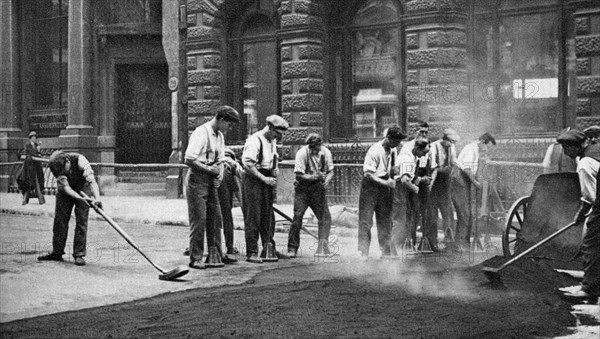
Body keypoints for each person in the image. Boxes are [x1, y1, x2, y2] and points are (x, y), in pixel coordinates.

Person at [185, 105, 240, 269]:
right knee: (199, 219)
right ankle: (195, 257)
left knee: (215, 218)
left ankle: (215, 254)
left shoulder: (220, 136)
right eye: (229, 125)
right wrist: (209, 170)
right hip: (197, 179)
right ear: (222, 119)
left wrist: (220, 175)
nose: (229, 129)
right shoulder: (201, 133)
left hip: (212, 179)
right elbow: (189, 159)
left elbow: (221, 160)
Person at [556, 129, 600, 303]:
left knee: (591, 244)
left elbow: (590, 198)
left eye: (567, 149)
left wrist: (580, 215)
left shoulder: (585, 164)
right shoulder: (596, 149)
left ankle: (589, 290)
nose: (565, 153)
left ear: (576, 146)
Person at [37, 151, 102, 266]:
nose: (63, 173)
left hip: (83, 186)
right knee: (60, 220)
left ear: (67, 162)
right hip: (66, 190)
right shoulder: (57, 167)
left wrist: (97, 199)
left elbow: (92, 182)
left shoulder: (81, 161)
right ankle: (57, 252)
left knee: (82, 221)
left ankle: (79, 254)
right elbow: (67, 189)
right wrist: (80, 198)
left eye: (64, 170)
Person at [242, 114, 289, 263]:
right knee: (253, 216)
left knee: (268, 217)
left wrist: (275, 171)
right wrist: (264, 178)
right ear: (269, 127)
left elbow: (273, 159)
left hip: (266, 179)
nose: (278, 137)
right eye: (277, 133)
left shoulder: (271, 141)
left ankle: (269, 248)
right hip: (253, 180)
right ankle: (252, 252)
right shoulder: (254, 140)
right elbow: (248, 164)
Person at [358, 126, 406, 259]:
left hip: (385, 185)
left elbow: (391, 169)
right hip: (370, 187)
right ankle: (364, 252)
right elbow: (368, 174)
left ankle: (386, 251)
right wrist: (386, 183)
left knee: (385, 219)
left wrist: (394, 172)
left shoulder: (393, 150)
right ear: (388, 138)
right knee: (366, 220)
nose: (398, 144)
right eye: (396, 141)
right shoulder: (374, 151)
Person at [286, 133, 334, 258]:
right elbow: (299, 175)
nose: (314, 149)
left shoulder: (326, 152)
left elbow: (330, 171)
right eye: (312, 147)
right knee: (297, 217)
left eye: (316, 146)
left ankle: (322, 247)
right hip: (303, 189)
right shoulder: (302, 153)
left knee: (325, 218)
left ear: (320, 144)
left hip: (318, 190)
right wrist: (314, 177)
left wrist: (327, 181)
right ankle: (292, 248)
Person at [452, 132, 496, 249]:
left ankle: (465, 242)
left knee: (468, 212)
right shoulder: (471, 148)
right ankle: (459, 244)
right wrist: (475, 182)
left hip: (463, 180)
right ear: (482, 142)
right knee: (464, 213)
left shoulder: (476, 150)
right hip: (459, 179)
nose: (486, 150)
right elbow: (466, 168)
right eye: (487, 147)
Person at [391, 137, 431, 255]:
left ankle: (399, 247)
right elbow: (404, 180)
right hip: (400, 189)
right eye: (422, 152)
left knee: (406, 217)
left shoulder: (413, 157)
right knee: (400, 219)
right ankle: (393, 248)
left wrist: (419, 180)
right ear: (417, 148)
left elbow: (410, 176)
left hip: (404, 189)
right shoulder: (407, 158)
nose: (423, 156)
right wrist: (416, 189)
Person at [426, 128, 460, 251]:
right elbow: (434, 169)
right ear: (444, 139)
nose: (451, 144)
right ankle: (432, 242)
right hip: (434, 184)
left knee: (448, 214)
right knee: (432, 215)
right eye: (450, 142)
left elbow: (453, 162)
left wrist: (456, 168)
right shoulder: (433, 147)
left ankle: (449, 241)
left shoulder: (451, 147)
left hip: (445, 185)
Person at [399, 122, 432, 247]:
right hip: (409, 179)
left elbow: (428, 164)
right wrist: (415, 183)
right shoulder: (408, 148)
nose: (423, 135)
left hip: (421, 179)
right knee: (411, 211)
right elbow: (404, 174)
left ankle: (423, 242)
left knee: (423, 211)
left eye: (426, 132)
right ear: (415, 132)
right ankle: (408, 241)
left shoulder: (426, 148)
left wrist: (425, 180)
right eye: (421, 132)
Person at [219, 148, 242, 256]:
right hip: (224, 198)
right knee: (227, 219)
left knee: (204, 219)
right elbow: (238, 192)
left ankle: (193, 247)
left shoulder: (220, 164)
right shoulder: (230, 168)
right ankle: (230, 247)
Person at [18, 131, 46, 205]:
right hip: (29, 167)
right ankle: (27, 195)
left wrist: (39, 151)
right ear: (30, 138)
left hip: (36, 166)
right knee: (27, 179)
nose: (34, 139)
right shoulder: (27, 145)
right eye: (33, 137)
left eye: (35, 137)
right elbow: (26, 154)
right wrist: (33, 155)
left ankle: (39, 194)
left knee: (39, 178)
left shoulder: (37, 145)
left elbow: (39, 155)